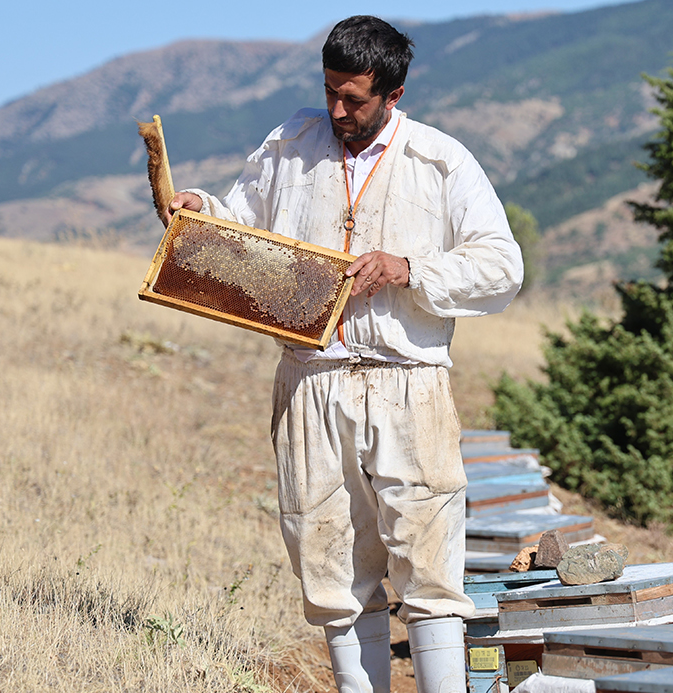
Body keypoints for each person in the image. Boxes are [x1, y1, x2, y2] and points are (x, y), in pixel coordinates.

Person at [167, 15, 523, 693]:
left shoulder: (440, 160)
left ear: (394, 92)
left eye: (353, 99)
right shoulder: (292, 142)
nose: (337, 110)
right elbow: (241, 222)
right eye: (330, 91)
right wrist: (200, 210)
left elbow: (502, 266)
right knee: (327, 554)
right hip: (311, 380)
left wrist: (409, 267)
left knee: (427, 559)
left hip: (407, 381)